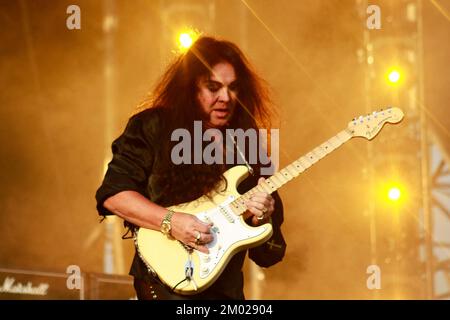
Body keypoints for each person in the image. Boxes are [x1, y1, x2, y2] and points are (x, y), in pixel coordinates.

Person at [95, 36, 286, 300]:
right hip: (164, 286)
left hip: (226, 295)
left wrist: (262, 218)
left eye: (233, 88)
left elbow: (270, 254)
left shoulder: (247, 144)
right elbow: (114, 195)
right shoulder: (153, 127)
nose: (225, 98)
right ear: (190, 88)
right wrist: (171, 222)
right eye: (213, 87)